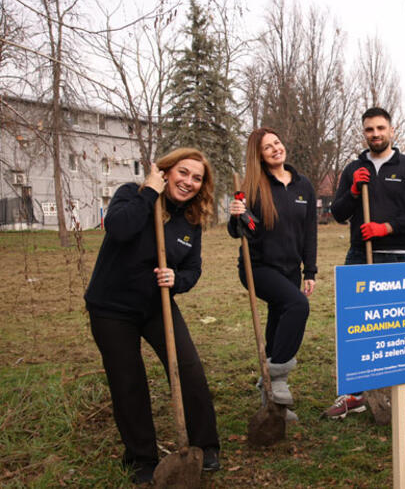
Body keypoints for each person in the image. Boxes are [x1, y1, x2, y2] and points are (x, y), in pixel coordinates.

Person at [85, 148, 220, 484]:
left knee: (188, 368)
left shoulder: (190, 220)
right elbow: (118, 228)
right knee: (128, 381)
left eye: (197, 178)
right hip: (111, 308)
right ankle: (141, 457)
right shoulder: (132, 195)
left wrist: (178, 279)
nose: (188, 182)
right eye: (183, 173)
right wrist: (149, 193)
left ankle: (206, 445)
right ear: (167, 171)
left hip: (156, 306)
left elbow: (193, 269)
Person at [323, 107, 405, 419]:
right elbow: (339, 213)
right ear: (364, 133)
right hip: (360, 254)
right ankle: (355, 394)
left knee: (391, 326)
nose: (376, 134)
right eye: (369, 129)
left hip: (396, 256)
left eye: (381, 128)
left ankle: (387, 389)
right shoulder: (352, 169)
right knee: (355, 326)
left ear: (392, 130)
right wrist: (354, 190)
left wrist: (387, 228)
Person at [228, 127, 317, 423]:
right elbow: (242, 232)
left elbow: (309, 233)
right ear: (260, 156)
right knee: (297, 306)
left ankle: (272, 403)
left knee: (279, 323)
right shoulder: (252, 188)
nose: (276, 149)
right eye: (268, 148)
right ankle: (277, 377)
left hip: (291, 269)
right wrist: (237, 214)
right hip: (259, 268)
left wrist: (310, 270)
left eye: (277, 142)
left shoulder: (303, 185)